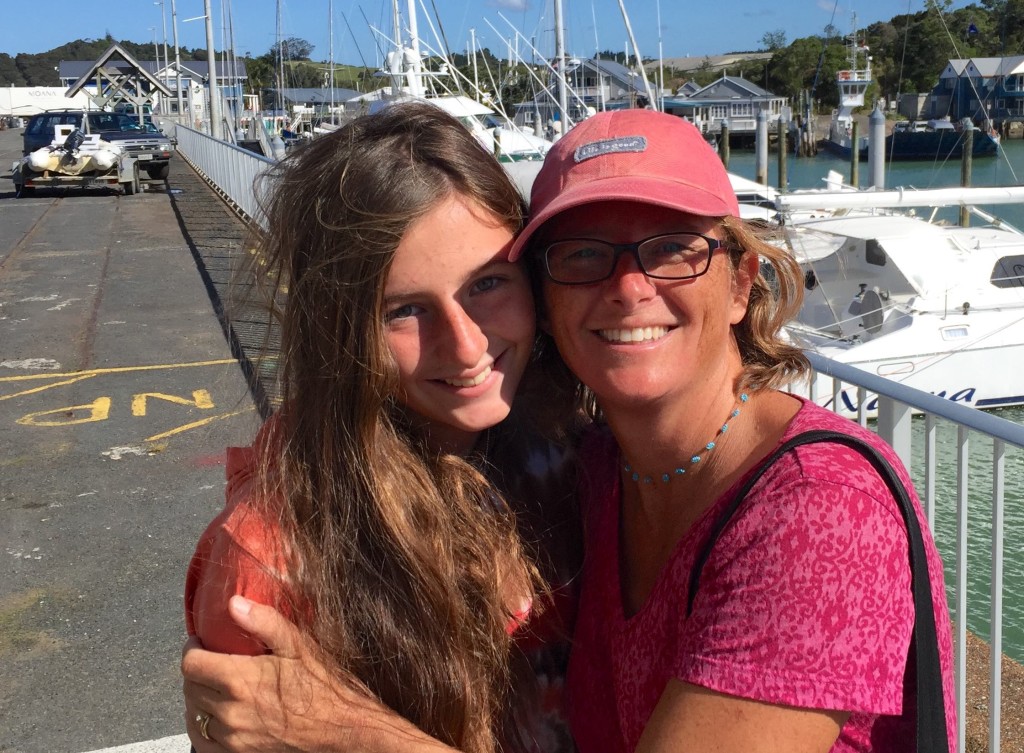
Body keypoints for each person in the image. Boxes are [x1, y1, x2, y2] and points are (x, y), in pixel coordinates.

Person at [506, 108, 957, 753]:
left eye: (671, 250)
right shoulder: (598, 473)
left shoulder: (820, 508)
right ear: (545, 306)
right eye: (582, 256)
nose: (630, 287)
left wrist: (334, 720)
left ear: (741, 286)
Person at [183, 101, 579, 753]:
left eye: (487, 283)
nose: (465, 344)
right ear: (336, 331)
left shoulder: (566, 448)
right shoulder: (276, 558)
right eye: (404, 310)